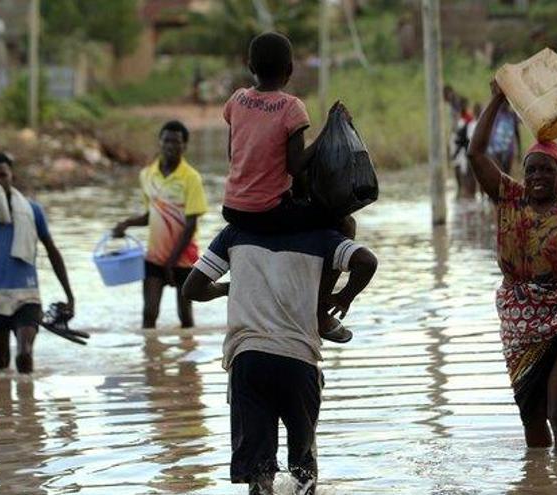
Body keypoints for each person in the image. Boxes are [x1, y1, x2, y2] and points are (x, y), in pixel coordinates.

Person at [182, 224, 378, 494]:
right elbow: (366, 261)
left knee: (258, 470)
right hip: (298, 358)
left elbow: (191, 289)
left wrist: (227, 288)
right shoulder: (323, 235)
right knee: (303, 464)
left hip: (248, 358)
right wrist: (344, 298)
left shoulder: (236, 233)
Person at [468, 82, 557, 455]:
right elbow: (477, 151)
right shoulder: (511, 200)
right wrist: (498, 98)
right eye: (530, 171)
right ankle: (540, 481)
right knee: (531, 416)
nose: (536, 178)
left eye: (546, 171)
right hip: (519, 318)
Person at [220, 31, 357, 343]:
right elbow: (295, 167)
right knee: (345, 224)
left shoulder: (236, 100)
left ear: (249, 65)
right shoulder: (291, 108)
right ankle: (321, 311)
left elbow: (233, 155)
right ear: (290, 70)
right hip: (268, 211)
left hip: (233, 208)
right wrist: (329, 129)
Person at [0, 152, 74, 374]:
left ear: (12, 177)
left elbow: (52, 251)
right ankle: (5, 408)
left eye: (2, 175)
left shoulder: (32, 210)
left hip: (28, 297)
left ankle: (28, 407)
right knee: (1, 366)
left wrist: (69, 295)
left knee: (24, 355)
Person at [113, 120, 208, 329]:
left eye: (176, 142)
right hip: (155, 257)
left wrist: (171, 261)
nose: (170, 146)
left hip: (184, 258)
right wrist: (126, 224)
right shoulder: (147, 175)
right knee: (149, 313)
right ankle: (151, 360)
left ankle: (187, 359)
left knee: (185, 316)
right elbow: (151, 215)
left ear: (185, 146)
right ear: (160, 142)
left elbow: (190, 224)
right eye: (166, 141)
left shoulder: (191, 178)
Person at [487, 99, 522, 175]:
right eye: (503, 102)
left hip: (509, 151)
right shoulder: (494, 114)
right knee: (498, 174)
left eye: (506, 102)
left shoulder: (512, 116)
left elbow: (517, 134)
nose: (504, 104)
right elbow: (489, 132)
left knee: (506, 176)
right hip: (495, 151)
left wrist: (519, 151)